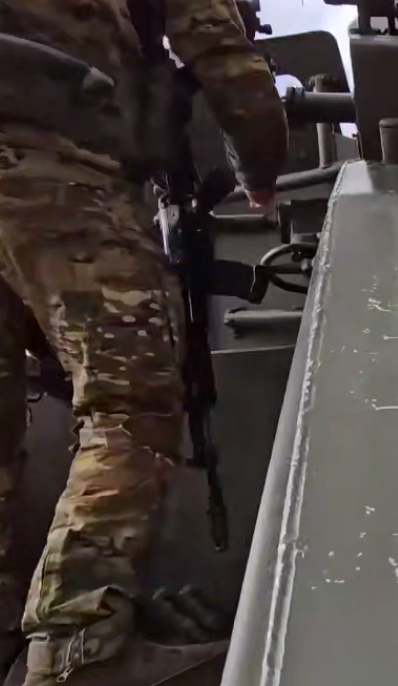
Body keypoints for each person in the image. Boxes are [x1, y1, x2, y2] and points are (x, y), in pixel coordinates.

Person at [0, 0, 287, 681]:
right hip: (57, 169)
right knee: (130, 405)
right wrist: (261, 170)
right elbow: (229, 66)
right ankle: (77, 641)